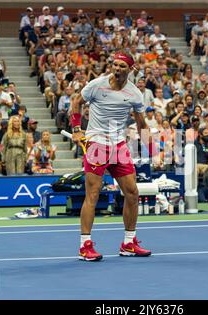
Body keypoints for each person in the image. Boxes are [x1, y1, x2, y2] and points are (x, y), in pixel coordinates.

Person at [70, 51, 152, 261]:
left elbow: (142, 124)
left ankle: (129, 243)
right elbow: (76, 102)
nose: (117, 69)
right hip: (97, 142)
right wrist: (77, 128)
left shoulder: (135, 93)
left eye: (122, 66)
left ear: (130, 70)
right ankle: (85, 246)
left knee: (132, 192)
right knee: (93, 194)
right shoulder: (97, 85)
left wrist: (153, 149)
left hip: (119, 144)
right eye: (115, 65)